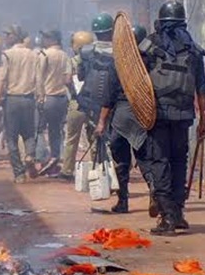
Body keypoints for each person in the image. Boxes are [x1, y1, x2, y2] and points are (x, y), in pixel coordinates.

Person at [135, 1, 205, 236]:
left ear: (161, 22)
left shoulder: (149, 45)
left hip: (157, 114)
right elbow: (202, 90)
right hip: (184, 115)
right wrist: (204, 121)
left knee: (159, 162)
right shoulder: (194, 50)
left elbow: (136, 79)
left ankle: (167, 217)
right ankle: (178, 213)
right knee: (179, 162)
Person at [94, 25, 149, 214]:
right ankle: (155, 196)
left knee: (121, 161)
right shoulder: (151, 61)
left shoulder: (118, 62)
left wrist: (101, 122)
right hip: (144, 114)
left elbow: (108, 96)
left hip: (121, 116)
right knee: (145, 158)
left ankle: (123, 201)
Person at [0, 24, 39, 183]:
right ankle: (30, 155)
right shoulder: (34, 54)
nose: (5, 38)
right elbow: (38, 79)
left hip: (12, 100)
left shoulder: (7, 54)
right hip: (29, 99)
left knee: (11, 138)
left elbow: (2, 78)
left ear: (15, 36)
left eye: (8, 35)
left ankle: (19, 173)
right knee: (28, 134)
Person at [76, 13, 116, 165]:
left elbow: (80, 76)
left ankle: (98, 166)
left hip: (91, 101)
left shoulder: (86, 52)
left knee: (93, 134)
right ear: (111, 31)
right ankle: (114, 167)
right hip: (114, 103)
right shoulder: (120, 51)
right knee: (113, 135)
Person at [59, 31, 95, 180]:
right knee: (94, 138)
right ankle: (96, 169)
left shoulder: (73, 61)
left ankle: (67, 170)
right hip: (93, 105)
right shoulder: (96, 60)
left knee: (71, 138)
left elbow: (67, 80)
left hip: (76, 104)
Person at [36, 29, 72, 176]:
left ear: (52, 39)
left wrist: (40, 97)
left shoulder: (44, 55)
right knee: (56, 130)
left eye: (45, 37)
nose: (43, 40)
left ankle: (43, 158)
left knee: (38, 129)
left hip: (47, 97)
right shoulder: (65, 56)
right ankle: (56, 156)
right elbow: (68, 79)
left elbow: (39, 78)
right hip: (61, 98)